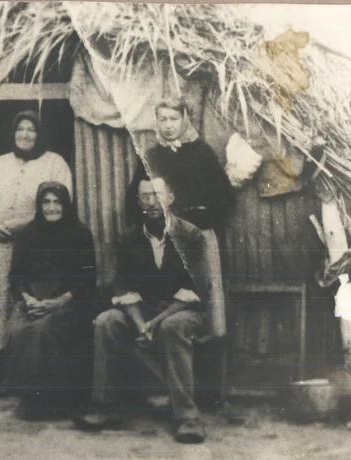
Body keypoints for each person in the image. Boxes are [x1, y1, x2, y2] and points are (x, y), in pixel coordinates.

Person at [74, 174, 213, 444]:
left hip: (181, 310)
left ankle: (188, 417)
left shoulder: (190, 235)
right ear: (139, 202)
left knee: (172, 327)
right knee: (106, 321)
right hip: (142, 311)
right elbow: (123, 287)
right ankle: (106, 407)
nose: (152, 203)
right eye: (145, 197)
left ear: (170, 199)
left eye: (157, 196)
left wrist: (155, 322)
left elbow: (193, 291)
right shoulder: (129, 237)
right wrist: (140, 323)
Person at [137, 96, 235, 344]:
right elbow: (136, 195)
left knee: (204, 291)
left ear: (183, 119)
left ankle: (210, 346)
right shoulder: (151, 156)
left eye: (173, 118)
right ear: (156, 122)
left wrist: (202, 221)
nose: (168, 125)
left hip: (198, 233)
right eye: (163, 119)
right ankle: (160, 334)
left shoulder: (201, 151)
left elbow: (225, 195)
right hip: (166, 234)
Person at [0, 110, 72, 353]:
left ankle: (22, 364)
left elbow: (63, 200)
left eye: (31, 130)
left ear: (39, 134)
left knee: (24, 302)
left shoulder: (54, 162)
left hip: (35, 244)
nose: (25, 135)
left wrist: (25, 224)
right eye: (20, 129)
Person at [6, 181, 96, 419]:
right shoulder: (27, 234)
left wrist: (58, 302)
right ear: (39, 204)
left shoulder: (80, 234)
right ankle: (31, 398)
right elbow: (16, 276)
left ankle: (58, 399)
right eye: (46, 202)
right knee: (17, 329)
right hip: (33, 300)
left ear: (65, 205)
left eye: (57, 202)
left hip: (69, 302)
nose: (51, 207)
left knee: (44, 329)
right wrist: (28, 299)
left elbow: (88, 279)